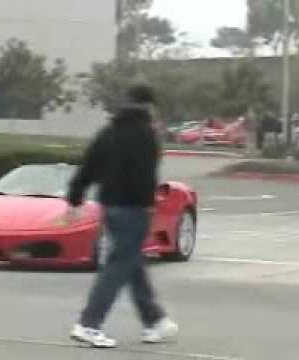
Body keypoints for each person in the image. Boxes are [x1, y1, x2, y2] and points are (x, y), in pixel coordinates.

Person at [61, 84, 178, 348]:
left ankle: (154, 321)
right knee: (118, 265)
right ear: (149, 106)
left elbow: (88, 165)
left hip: (110, 207)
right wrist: (149, 205)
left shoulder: (109, 131)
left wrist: (74, 197)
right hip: (134, 208)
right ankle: (89, 323)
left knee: (131, 262)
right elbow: (146, 175)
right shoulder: (147, 135)